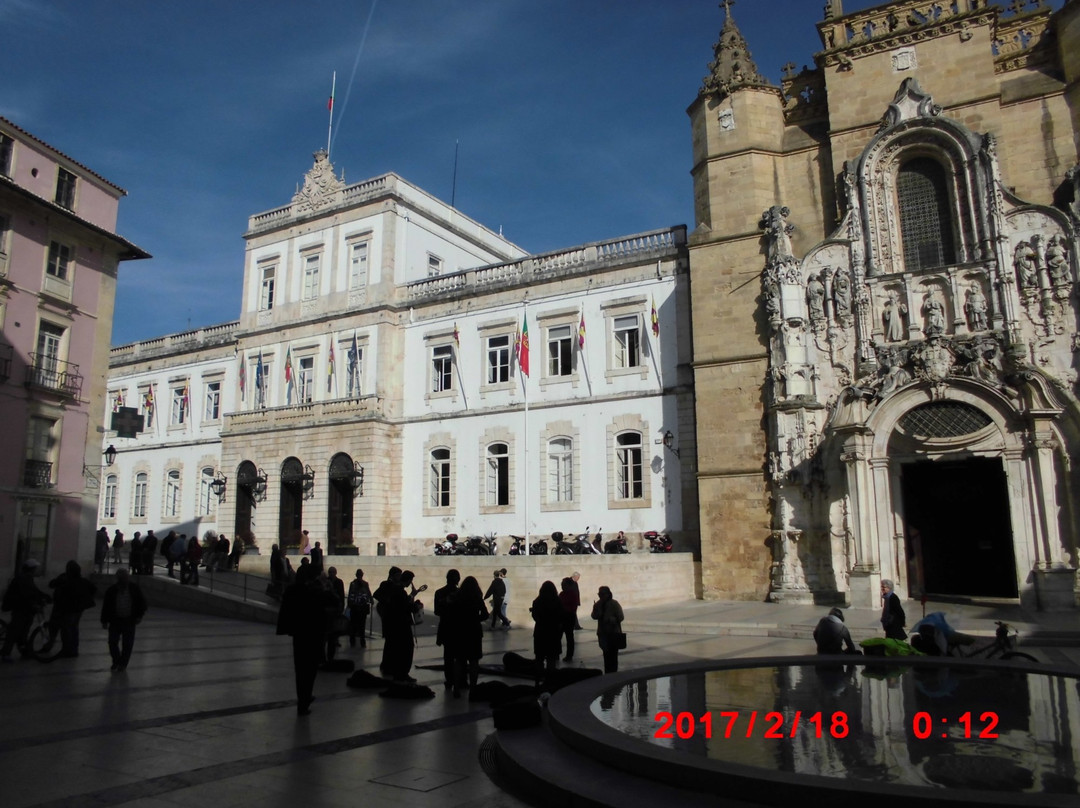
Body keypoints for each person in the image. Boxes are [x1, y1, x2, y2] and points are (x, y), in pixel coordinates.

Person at [276, 564, 336, 715]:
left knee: (300, 669)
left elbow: (285, 610)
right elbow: (335, 602)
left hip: (299, 635)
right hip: (314, 634)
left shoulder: (292, 590)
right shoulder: (316, 590)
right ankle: (305, 698)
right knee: (310, 669)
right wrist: (325, 586)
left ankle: (302, 699)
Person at [1, 560, 51, 660]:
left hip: (26, 608)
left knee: (23, 631)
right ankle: (6, 653)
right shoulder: (23, 578)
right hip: (21, 608)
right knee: (14, 631)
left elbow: (34, 591)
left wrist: (44, 596)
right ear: (31, 569)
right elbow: (27, 594)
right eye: (35, 569)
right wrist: (36, 602)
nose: (36, 570)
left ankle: (24, 651)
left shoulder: (27, 578)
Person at [100, 568, 148, 672]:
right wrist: (104, 620)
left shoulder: (134, 588)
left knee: (127, 644)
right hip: (115, 620)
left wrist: (139, 616)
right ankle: (117, 660)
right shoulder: (112, 590)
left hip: (129, 620)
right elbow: (106, 606)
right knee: (112, 642)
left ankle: (122, 664)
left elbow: (141, 603)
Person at [447, 575, 488, 697]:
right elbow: (485, 614)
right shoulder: (477, 598)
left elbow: (451, 613)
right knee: (474, 661)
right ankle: (473, 688)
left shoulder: (457, 597)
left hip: (460, 631)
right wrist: (476, 619)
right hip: (474, 631)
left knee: (459, 660)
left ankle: (456, 688)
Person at [373, 567, 415, 682]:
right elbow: (403, 605)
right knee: (398, 645)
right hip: (395, 621)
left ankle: (389, 667)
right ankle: (397, 670)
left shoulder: (396, 588)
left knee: (391, 644)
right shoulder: (391, 586)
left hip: (391, 620)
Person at [48, 561, 96, 658]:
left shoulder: (65, 580)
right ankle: (73, 649)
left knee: (66, 629)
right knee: (73, 628)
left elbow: (52, 584)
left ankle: (66, 649)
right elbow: (93, 589)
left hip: (67, 609)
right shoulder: (81, 581)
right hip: (77, 609)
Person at [530, 581, 564, 684]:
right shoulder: (557, 601)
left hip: (540, 632)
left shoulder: (537, 601)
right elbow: (561, 616)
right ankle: (550, 681)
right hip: (553, 632)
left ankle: (538, 681)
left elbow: (535, 616)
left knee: (539, 658)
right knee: (551, 659)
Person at [433, 569, 461, 687]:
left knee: (448, 656)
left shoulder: (439, 592)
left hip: (446, 626)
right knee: (459, 656)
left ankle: (449, 680)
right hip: (458, 628)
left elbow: (437, 611)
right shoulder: (461, 593)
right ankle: (460, 679)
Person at [591, 586, 625, 673]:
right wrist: (597, 612)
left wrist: (612, 619)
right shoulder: (598, 604)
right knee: (606, 655)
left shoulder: (614, 604)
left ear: (608, 594)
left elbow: (621, 616)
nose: (601, 596)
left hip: (613, 633)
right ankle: (608, 673)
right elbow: (593, 616)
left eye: (602, 594)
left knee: (613, 656)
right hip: (603, 633)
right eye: (599, 594)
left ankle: (613, 673)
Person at [324, 566, 346, 661]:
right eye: (330, 572)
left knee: (335, 627)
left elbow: (341, 595)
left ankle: (335, 640)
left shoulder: (339, 582)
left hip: (335, 609)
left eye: (332, 572)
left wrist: (341, 606)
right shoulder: (326, 581)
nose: (331, 574)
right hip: (327, 609)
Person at [346, 569, 372, 648]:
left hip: (357, 607)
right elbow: (368, 593)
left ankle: (354, 641)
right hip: (360, 607)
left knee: (355, 625)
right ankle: (361, 642)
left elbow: (350, 595)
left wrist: (349, 605)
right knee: (360, 626)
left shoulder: (353, 584)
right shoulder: (363, 584)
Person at [559, 577, 579, 662]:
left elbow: (573, 608)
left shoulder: (572, 594)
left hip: (569, 617)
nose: (562, 586)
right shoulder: (561, 594)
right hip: (561, 617)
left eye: (564, 584)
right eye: (562, 584)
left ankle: (569, 655)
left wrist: (563, 608)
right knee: (558, 636)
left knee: (569, 637)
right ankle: (556, 654)